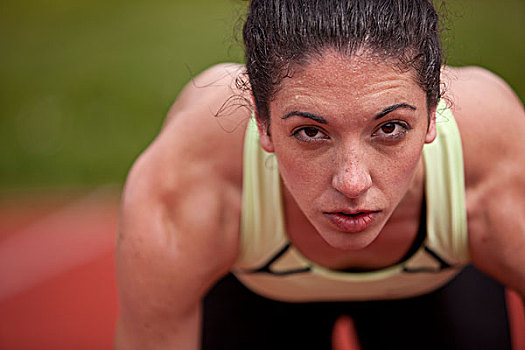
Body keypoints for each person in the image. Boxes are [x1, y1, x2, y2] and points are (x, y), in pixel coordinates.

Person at [114, 1, 525, 349]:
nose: (352, 182)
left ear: (434, 113)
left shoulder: (495, 156)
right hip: (253, 295)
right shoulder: (189, 175)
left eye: (389, 128)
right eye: (311, 132)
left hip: (440, 287)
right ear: (262, 122)